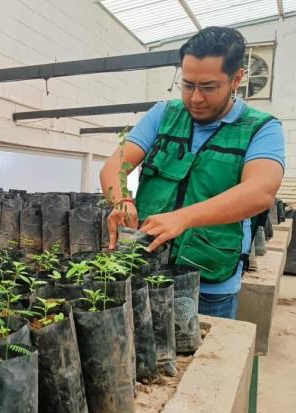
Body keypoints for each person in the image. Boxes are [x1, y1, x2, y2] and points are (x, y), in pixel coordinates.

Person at [100, 26, 285, 319]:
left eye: (208, 87)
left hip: (208, 285)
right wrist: (122, 200)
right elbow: (114, 167)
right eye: (187, 85)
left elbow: (260, 192)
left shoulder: (261, 128)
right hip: (145, 272)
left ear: (237, 79)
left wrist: (183, 218)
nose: (195, 98)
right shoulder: (164, 114)